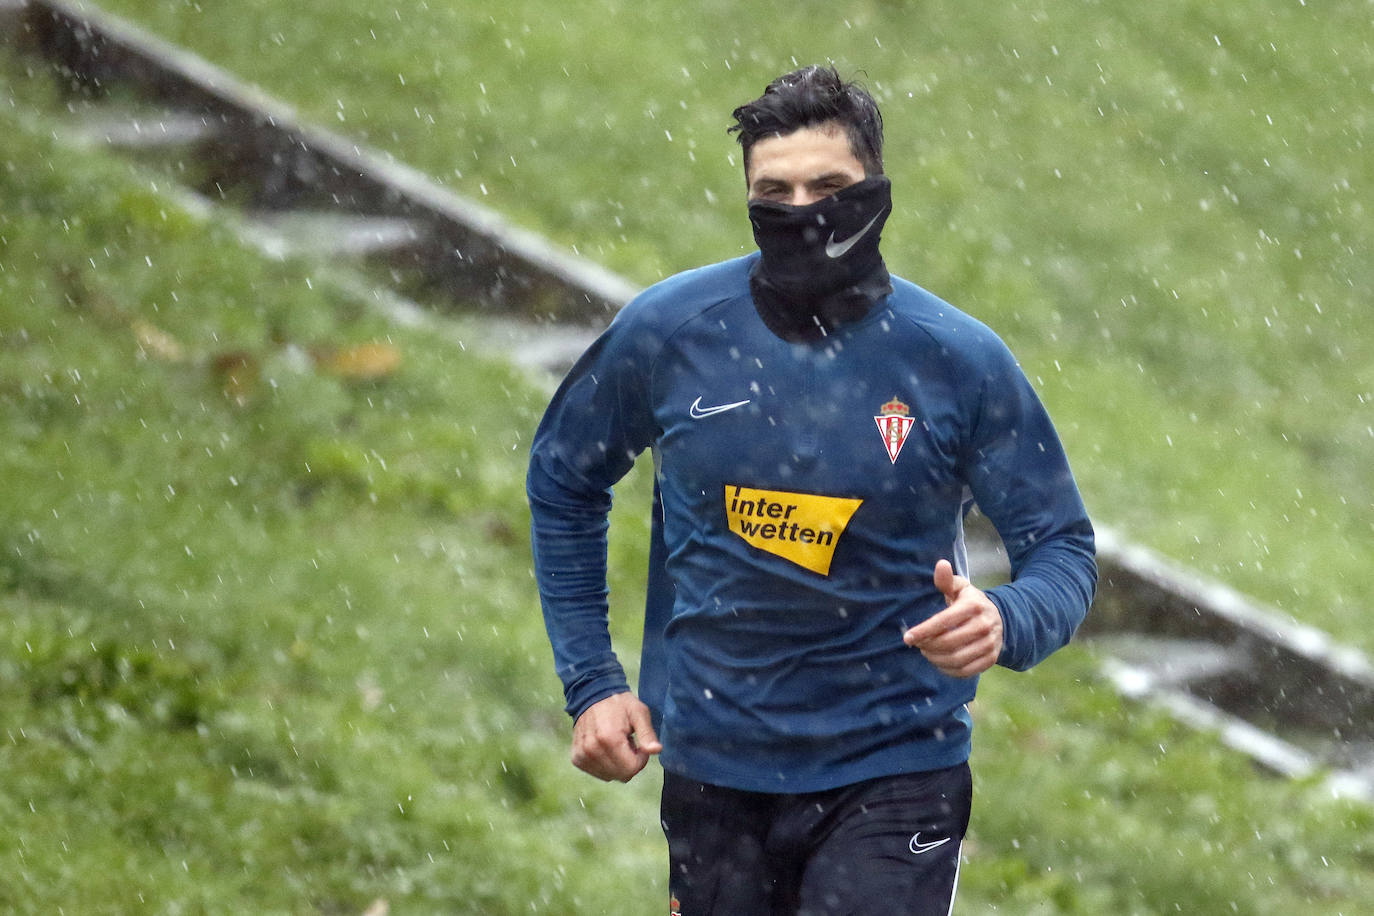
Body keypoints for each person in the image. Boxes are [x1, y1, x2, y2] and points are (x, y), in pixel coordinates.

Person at [526, 64, 1096, 916]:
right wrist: (594, 683)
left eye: (830, 186)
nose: (803, 212)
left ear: (877, 189)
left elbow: (1064, 549)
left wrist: (1006, 619)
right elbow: (563, 482)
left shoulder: (957, 360)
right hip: (715, 770)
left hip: (897, 768)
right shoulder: (670, 333)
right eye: (775, 191)